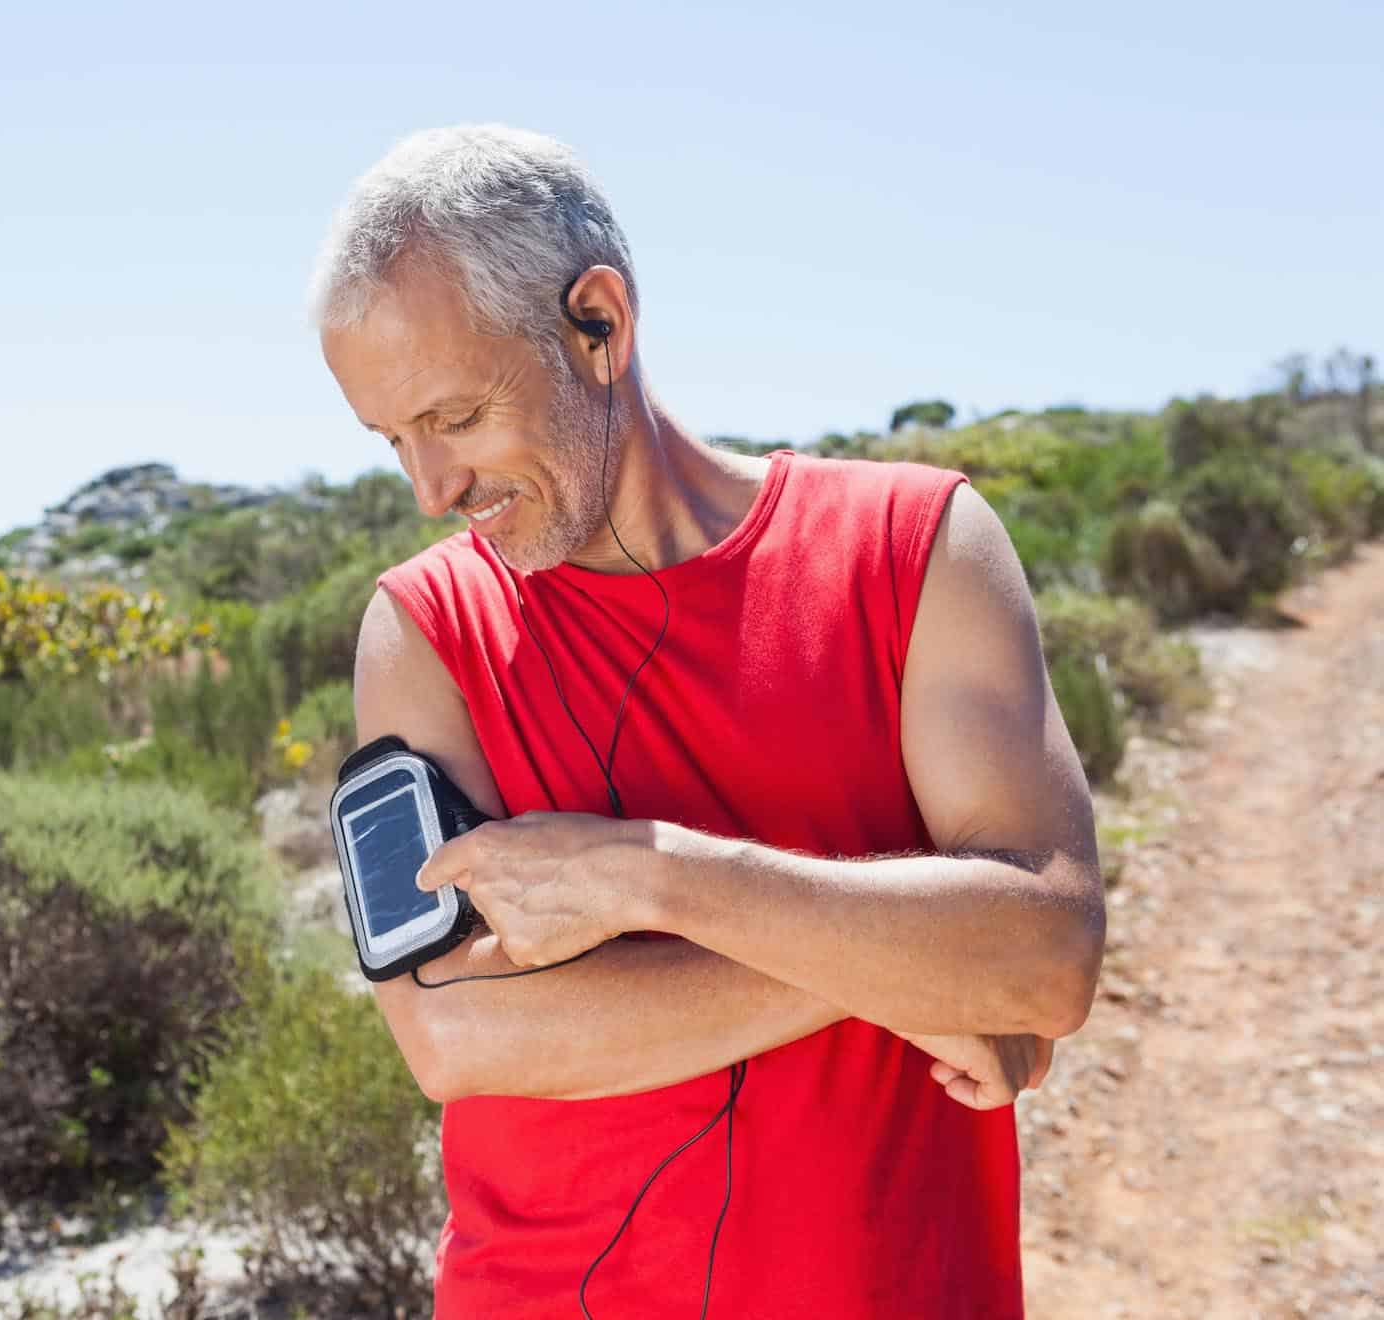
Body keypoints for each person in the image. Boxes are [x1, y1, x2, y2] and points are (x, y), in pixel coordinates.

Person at [310, 125, 1105, 1319]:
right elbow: (456, 1040)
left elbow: (1045, 954)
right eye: (393, 441)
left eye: (459, 417)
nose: (432, 490)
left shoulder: (915, 547)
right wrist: (911, 970)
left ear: (599, 324)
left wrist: (652, 877)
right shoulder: (424, 633)